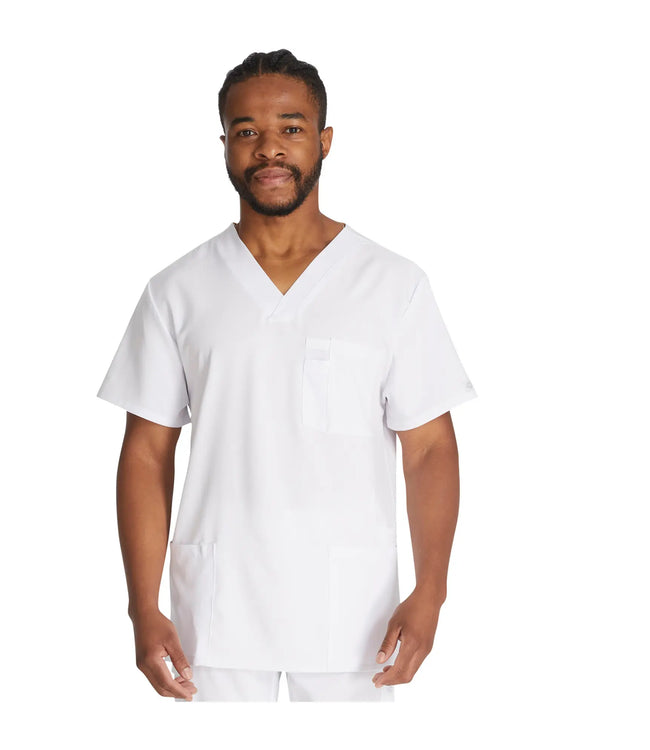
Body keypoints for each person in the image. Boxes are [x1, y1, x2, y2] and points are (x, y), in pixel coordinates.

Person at [96, 49, 477, 702]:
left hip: (354, 619)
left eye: (290, 128)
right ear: (224, 145)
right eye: (246, 130)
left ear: (324, 141)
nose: (268, 147)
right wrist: (143, 607)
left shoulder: (392, 285)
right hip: (211, 619)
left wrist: (432, 590)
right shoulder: (177, 291)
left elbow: (429, 448)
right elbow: (147, 452)